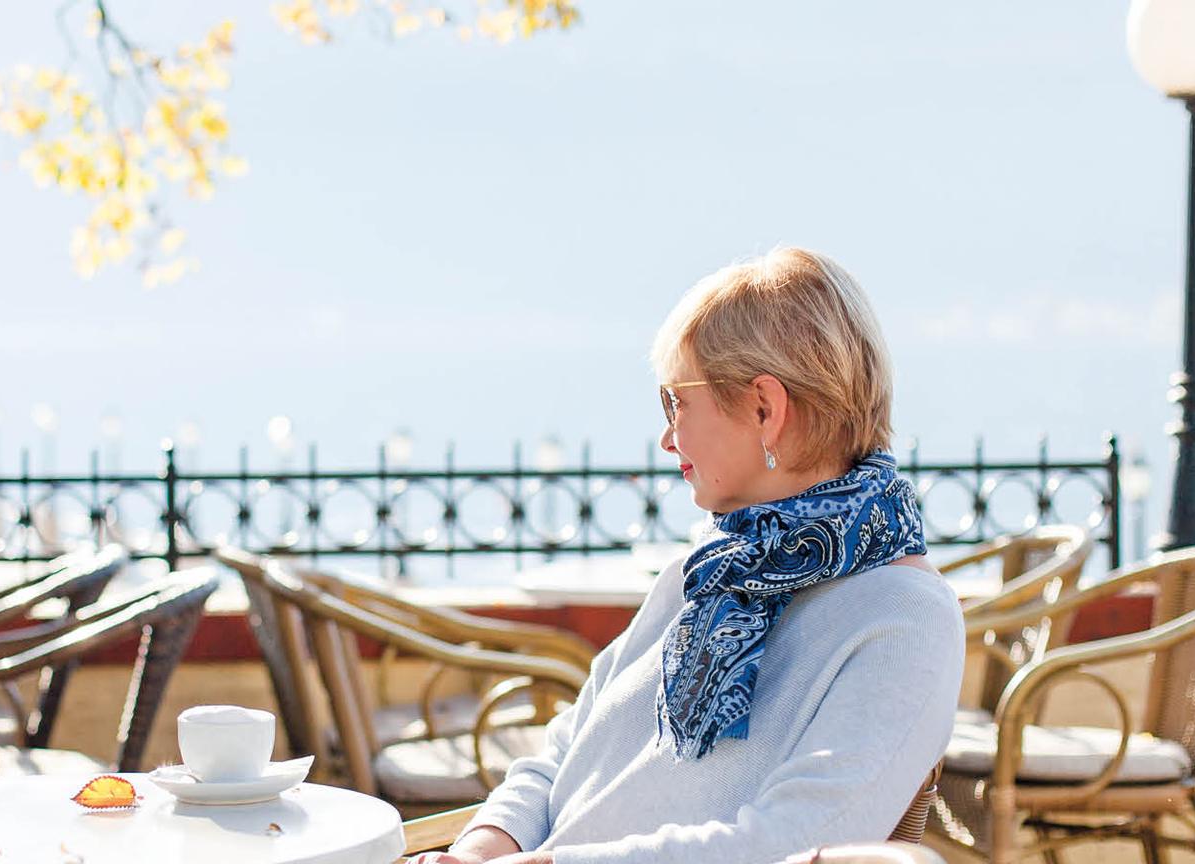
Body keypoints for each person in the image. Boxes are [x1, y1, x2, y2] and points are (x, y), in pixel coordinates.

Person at [412, 247, 964, 864]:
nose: (667, 436)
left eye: (677, 401)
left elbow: (786, 846)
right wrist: (478, 850)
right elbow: (566, 754)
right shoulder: (711, 569)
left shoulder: (904, 620)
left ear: (765, 408)